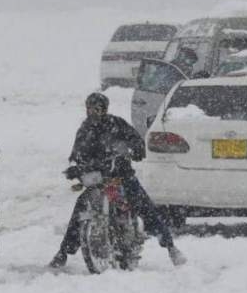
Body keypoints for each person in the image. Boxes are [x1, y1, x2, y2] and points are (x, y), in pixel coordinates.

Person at [49, 92, 186, 268]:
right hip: (98, 179)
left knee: (145, 206)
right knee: (80, 206)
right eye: (91, 108)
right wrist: (76, 168)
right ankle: (63, 253)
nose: (94, 112)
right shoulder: (84, 130)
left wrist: (135, 150)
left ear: (105, 109)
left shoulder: (117, 124)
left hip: (121, 176)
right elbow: (77, 154)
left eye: (98, 108)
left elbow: (136, 141)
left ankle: (170, 247)